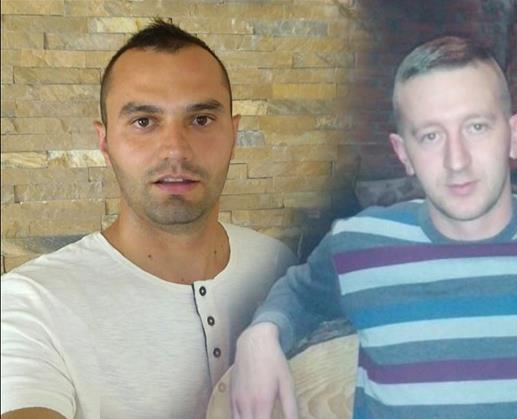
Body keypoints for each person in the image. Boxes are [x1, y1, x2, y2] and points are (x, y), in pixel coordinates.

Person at [231, 36, 517, 419]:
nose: (457, 160)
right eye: (431, 136)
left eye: (476, 127)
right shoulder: (361, 246)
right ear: (404, 153)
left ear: (514, 134)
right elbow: (299, 294)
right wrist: (259, 335)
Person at [1, 19, 296, 419]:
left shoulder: (281, 267)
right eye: (143, 122)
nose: (175, 150)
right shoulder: (31, 304)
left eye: (201, 119)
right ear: (105, 143)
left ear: (233, 133)